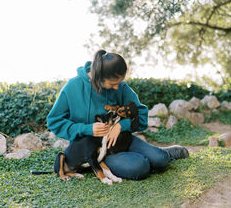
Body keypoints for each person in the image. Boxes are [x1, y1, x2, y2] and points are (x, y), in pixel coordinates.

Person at [47, 50, 189, 180]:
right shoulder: (73, 87)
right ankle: (147, 157)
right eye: (113, 83)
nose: (117, 87)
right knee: (140, 167)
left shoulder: (120, 86)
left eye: (119, 83)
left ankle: (161, 154)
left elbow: (141, 115)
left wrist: (122, 125)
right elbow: (54, 121)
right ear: (99, 77)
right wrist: (87, 129)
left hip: (124, 140)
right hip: (98, 153)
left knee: (160, 159)